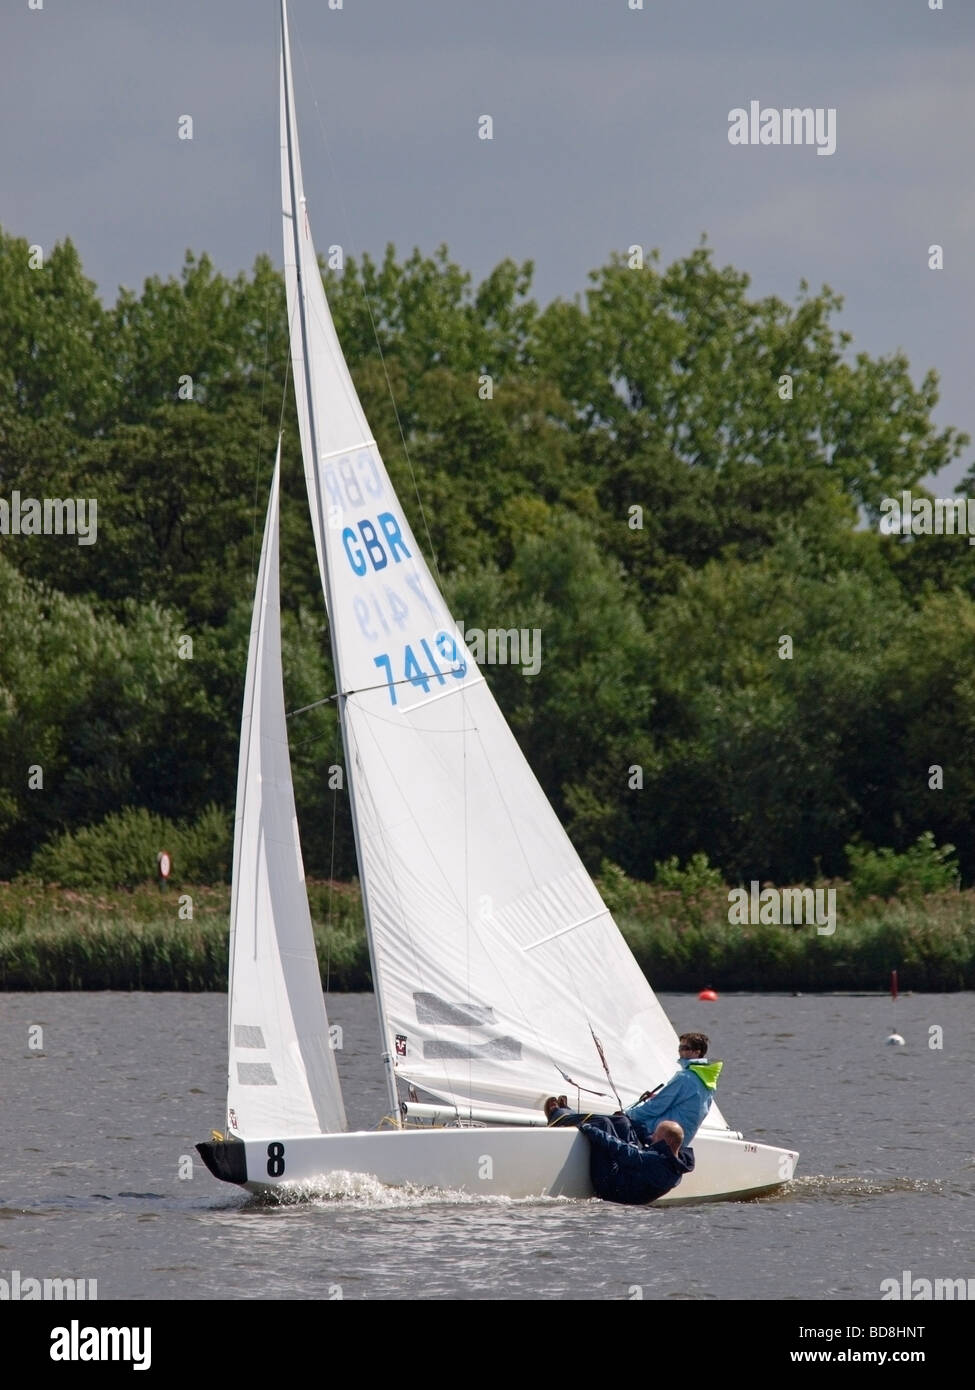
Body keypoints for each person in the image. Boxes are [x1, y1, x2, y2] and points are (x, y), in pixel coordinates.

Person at [624, 1032, 722, 1147]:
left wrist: (627, 1115)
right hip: (681, 1140)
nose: (680, 1051)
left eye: (685, 1048)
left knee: (614, 1124)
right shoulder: (706, 1079)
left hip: (660, 1136)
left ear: (697, 1052)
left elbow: (656, 1107)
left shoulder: (685, 1077)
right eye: (680, 1047)